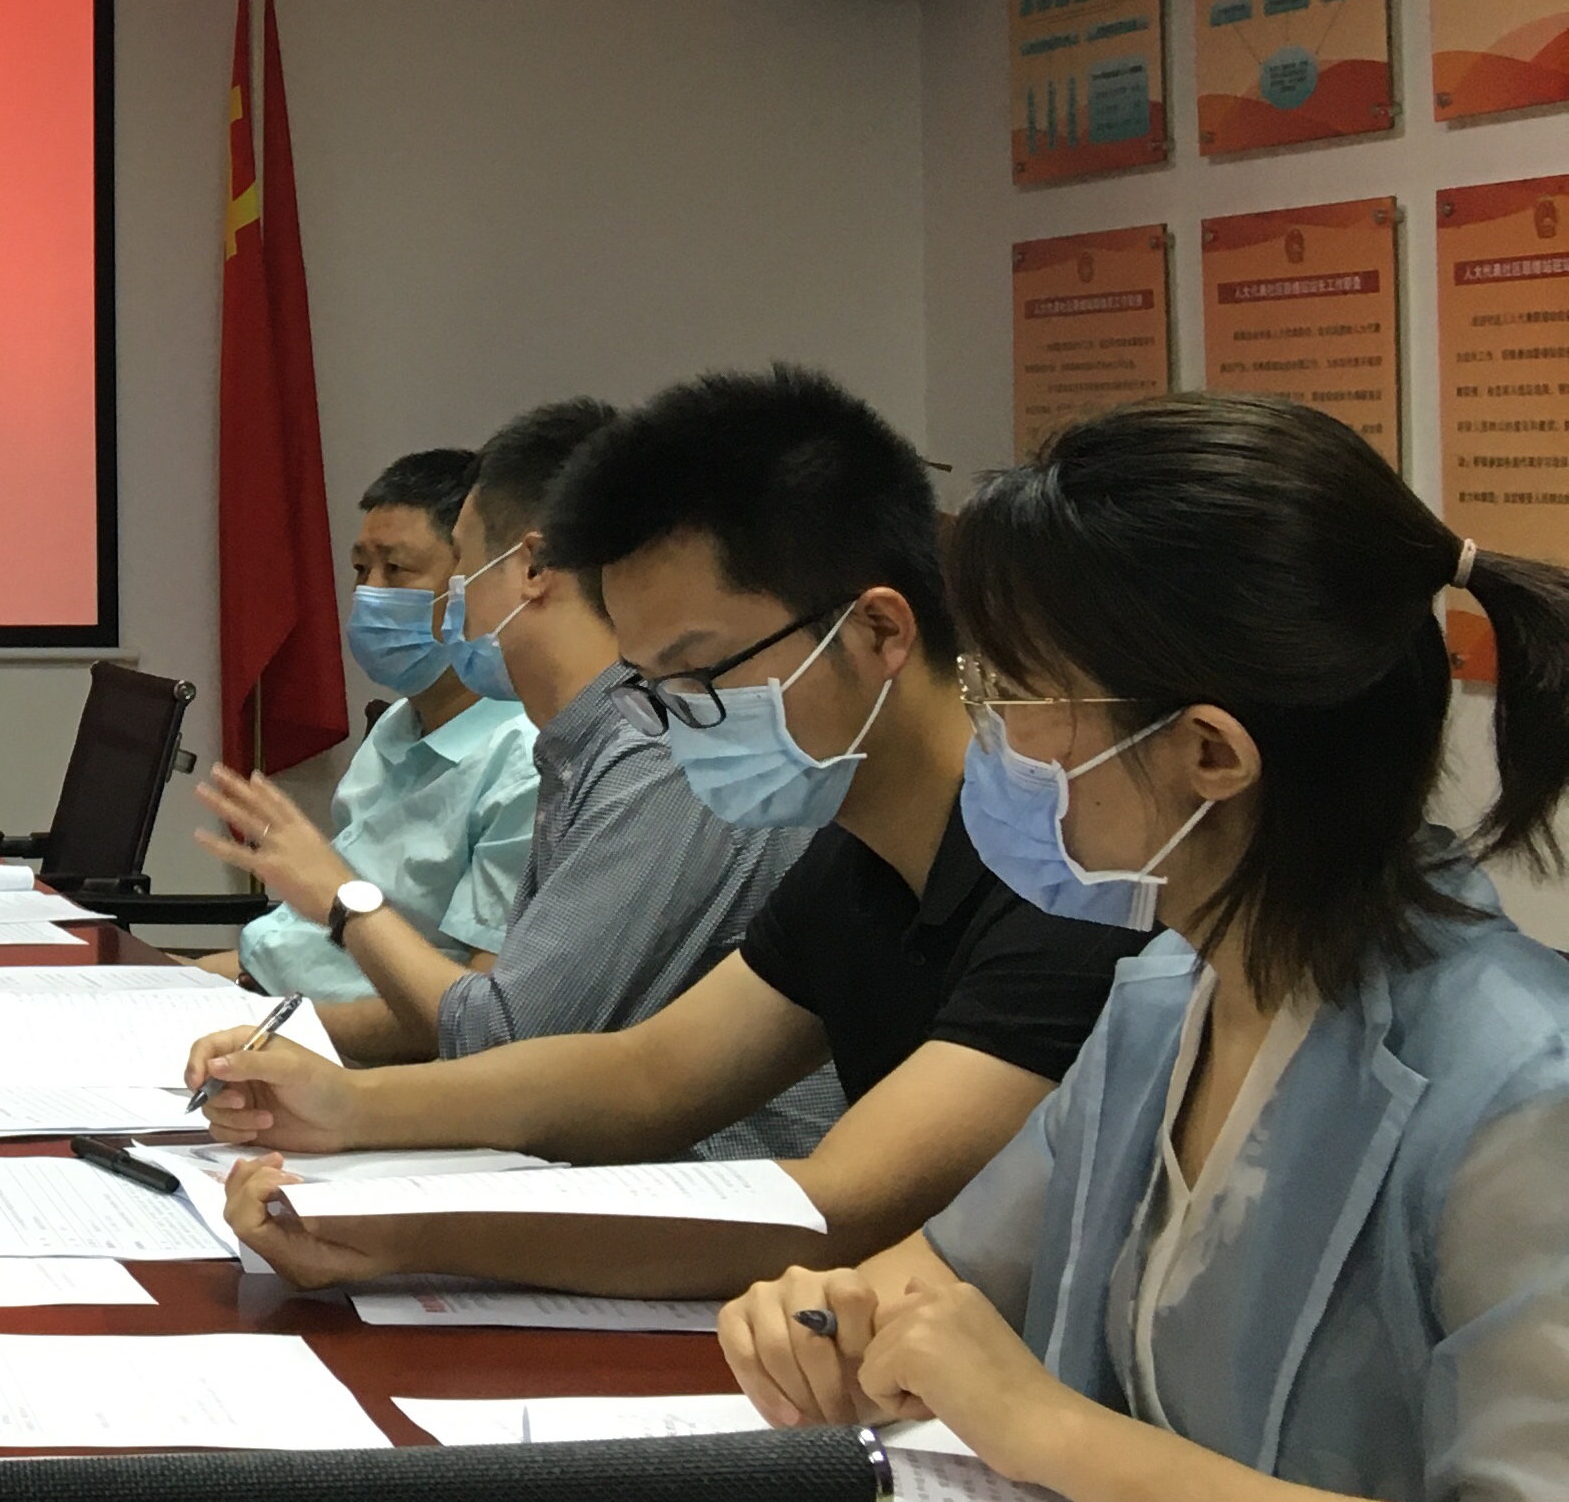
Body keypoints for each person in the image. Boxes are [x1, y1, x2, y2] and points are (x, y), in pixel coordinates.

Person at [723, 394, 1569, 1502]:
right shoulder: (1168, 994)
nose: (987, 740)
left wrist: (1052, 1430)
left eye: (1015, 698)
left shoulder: (1525, 1086)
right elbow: (931, 1286)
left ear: (1209, 753)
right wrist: (818, 1320)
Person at [192, 366, 1142, 1298]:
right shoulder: (859, 851)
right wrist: (347, 1105)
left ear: (878, 632)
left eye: (702, 672)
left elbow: (838, 1207)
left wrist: (403, 1230)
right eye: (653, 681)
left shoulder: (1068, 871)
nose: (677, 718)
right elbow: (649, 1076)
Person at [200, 402, 835, 1140]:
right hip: (584, 1154)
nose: (454, 608)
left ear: (532, 568)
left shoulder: (655, 752)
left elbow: (502, 1039)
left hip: (695, 1181)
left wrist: (344, 901)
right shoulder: (580, 742)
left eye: (463, 571)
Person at [196, 447, 536, 1061]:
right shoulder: (401, 722)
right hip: (264, 1005)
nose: (369, 594)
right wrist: (173, 986)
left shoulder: (526, 761)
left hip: (329, 1059)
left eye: (396, 569)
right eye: (360, 569)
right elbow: (302, 949)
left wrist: (247, 1030)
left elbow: (472, 1023)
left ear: (480, 578)